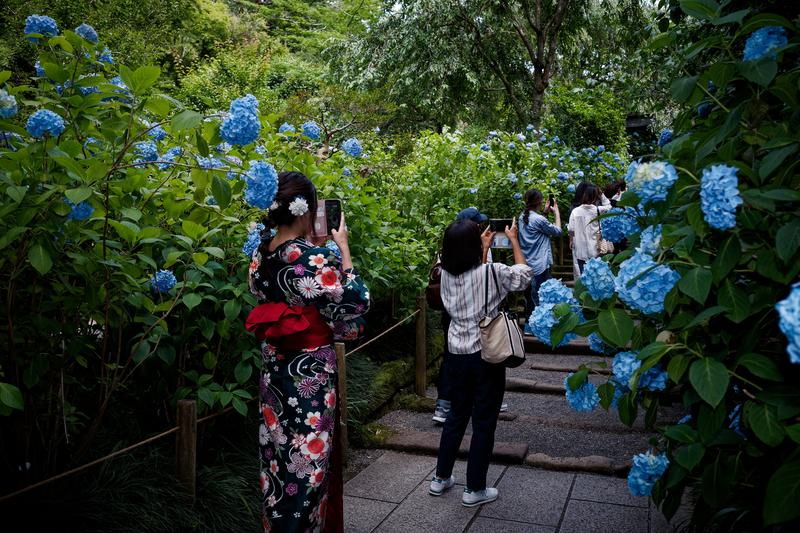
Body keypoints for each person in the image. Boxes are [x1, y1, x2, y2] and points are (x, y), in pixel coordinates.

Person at [246, 171, 370, 532]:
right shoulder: (314, 258)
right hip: (310, 374)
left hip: (274, 371)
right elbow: (355, 305)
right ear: (306, 212)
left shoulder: (259, 255)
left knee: (277, 462)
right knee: (310, 464)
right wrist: (343, 250)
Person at [429, 218, 532, 507]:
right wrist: (512, 239)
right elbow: (524, 276)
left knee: (457, 416)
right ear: (476, 245)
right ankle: (474, 488)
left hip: (456, 354)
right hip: (486, 355)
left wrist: (481, 249)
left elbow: (470, 275)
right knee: (484, 421)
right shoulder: (494, 272)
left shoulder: (444, 275)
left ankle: (440, 478)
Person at [433, 207, 508, 424]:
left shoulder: (449, 249)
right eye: (477, 223)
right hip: (474, 320)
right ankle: (466, 402)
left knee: (452, 358)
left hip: (454, 317)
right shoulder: (474, 250)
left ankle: (446, 404)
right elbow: (480, 278)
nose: (481, 226)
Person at [517, 189, 562, 316]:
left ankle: (529, 326)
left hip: (527, 263)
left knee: (531, 297)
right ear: (539, 201)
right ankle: (540, 325)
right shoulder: (539, 219)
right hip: (540, 265)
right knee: (542, 297)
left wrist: (545, 213)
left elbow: (538, 228)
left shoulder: (522, 217)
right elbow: (558, 231)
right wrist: (557, 213)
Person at [567, 183, 612, 275]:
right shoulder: (598, 210)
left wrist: (571, 241)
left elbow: (571, 229)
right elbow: (609, 206)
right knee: (596, 275)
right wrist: (602, 194)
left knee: (583, 276)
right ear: (595, 197)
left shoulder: (575, 211)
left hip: (580, 251)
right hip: (596, 250)